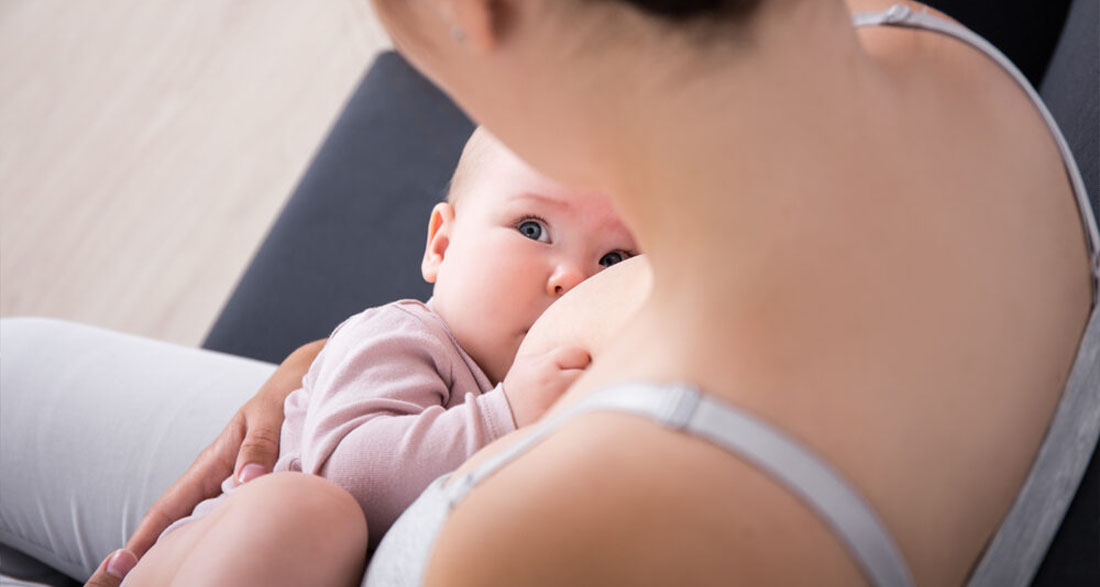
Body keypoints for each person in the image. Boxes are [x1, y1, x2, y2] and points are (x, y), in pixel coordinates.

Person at [31, 0, 1100, 584]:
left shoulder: (561, 530)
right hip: (319, 449)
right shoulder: (927, 57)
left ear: (473, 14)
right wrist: (335, 364)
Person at [113, 125, 639, 585]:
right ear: (441, 245)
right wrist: (504, 417)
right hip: (225, 555)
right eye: (532, 229)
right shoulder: (402, 336)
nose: (572, 278)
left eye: (613, 259)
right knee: (306, 510)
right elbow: (351, 473)